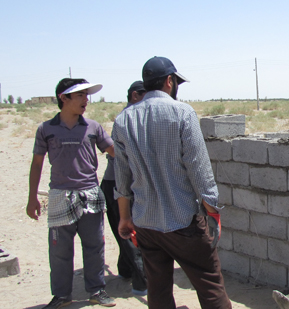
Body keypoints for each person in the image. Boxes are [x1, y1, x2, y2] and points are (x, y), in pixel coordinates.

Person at [111, 56, 231, 309]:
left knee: (158, 290)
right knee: (210, 285)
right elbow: (200, 171)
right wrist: (212, 212)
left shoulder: (123, 120)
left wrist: (124, 218)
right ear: (169, 81)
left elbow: (122, 178)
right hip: (183, 221)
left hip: (146, 223)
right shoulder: (182, 112)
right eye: (176, 82)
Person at [26, 78, 116, 308]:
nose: (87, 99)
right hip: (59, 196)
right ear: (63, 98)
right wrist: (32, 198)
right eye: (81, 95)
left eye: (87, 95)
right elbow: (37, 164)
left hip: (90, 196)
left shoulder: (93, 127)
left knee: (94, 246)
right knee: (59, 251)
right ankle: (62, 295)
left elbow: (114, 151)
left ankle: (97, 290)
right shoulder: (46, 129)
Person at [100, 81, 147, 296]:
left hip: (126, 183)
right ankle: (141, 283)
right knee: (128, 231)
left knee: (125, 229)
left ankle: (126, 271)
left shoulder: (132, 116)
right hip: (118, 184)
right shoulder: (129, 118)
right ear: (136, 95)